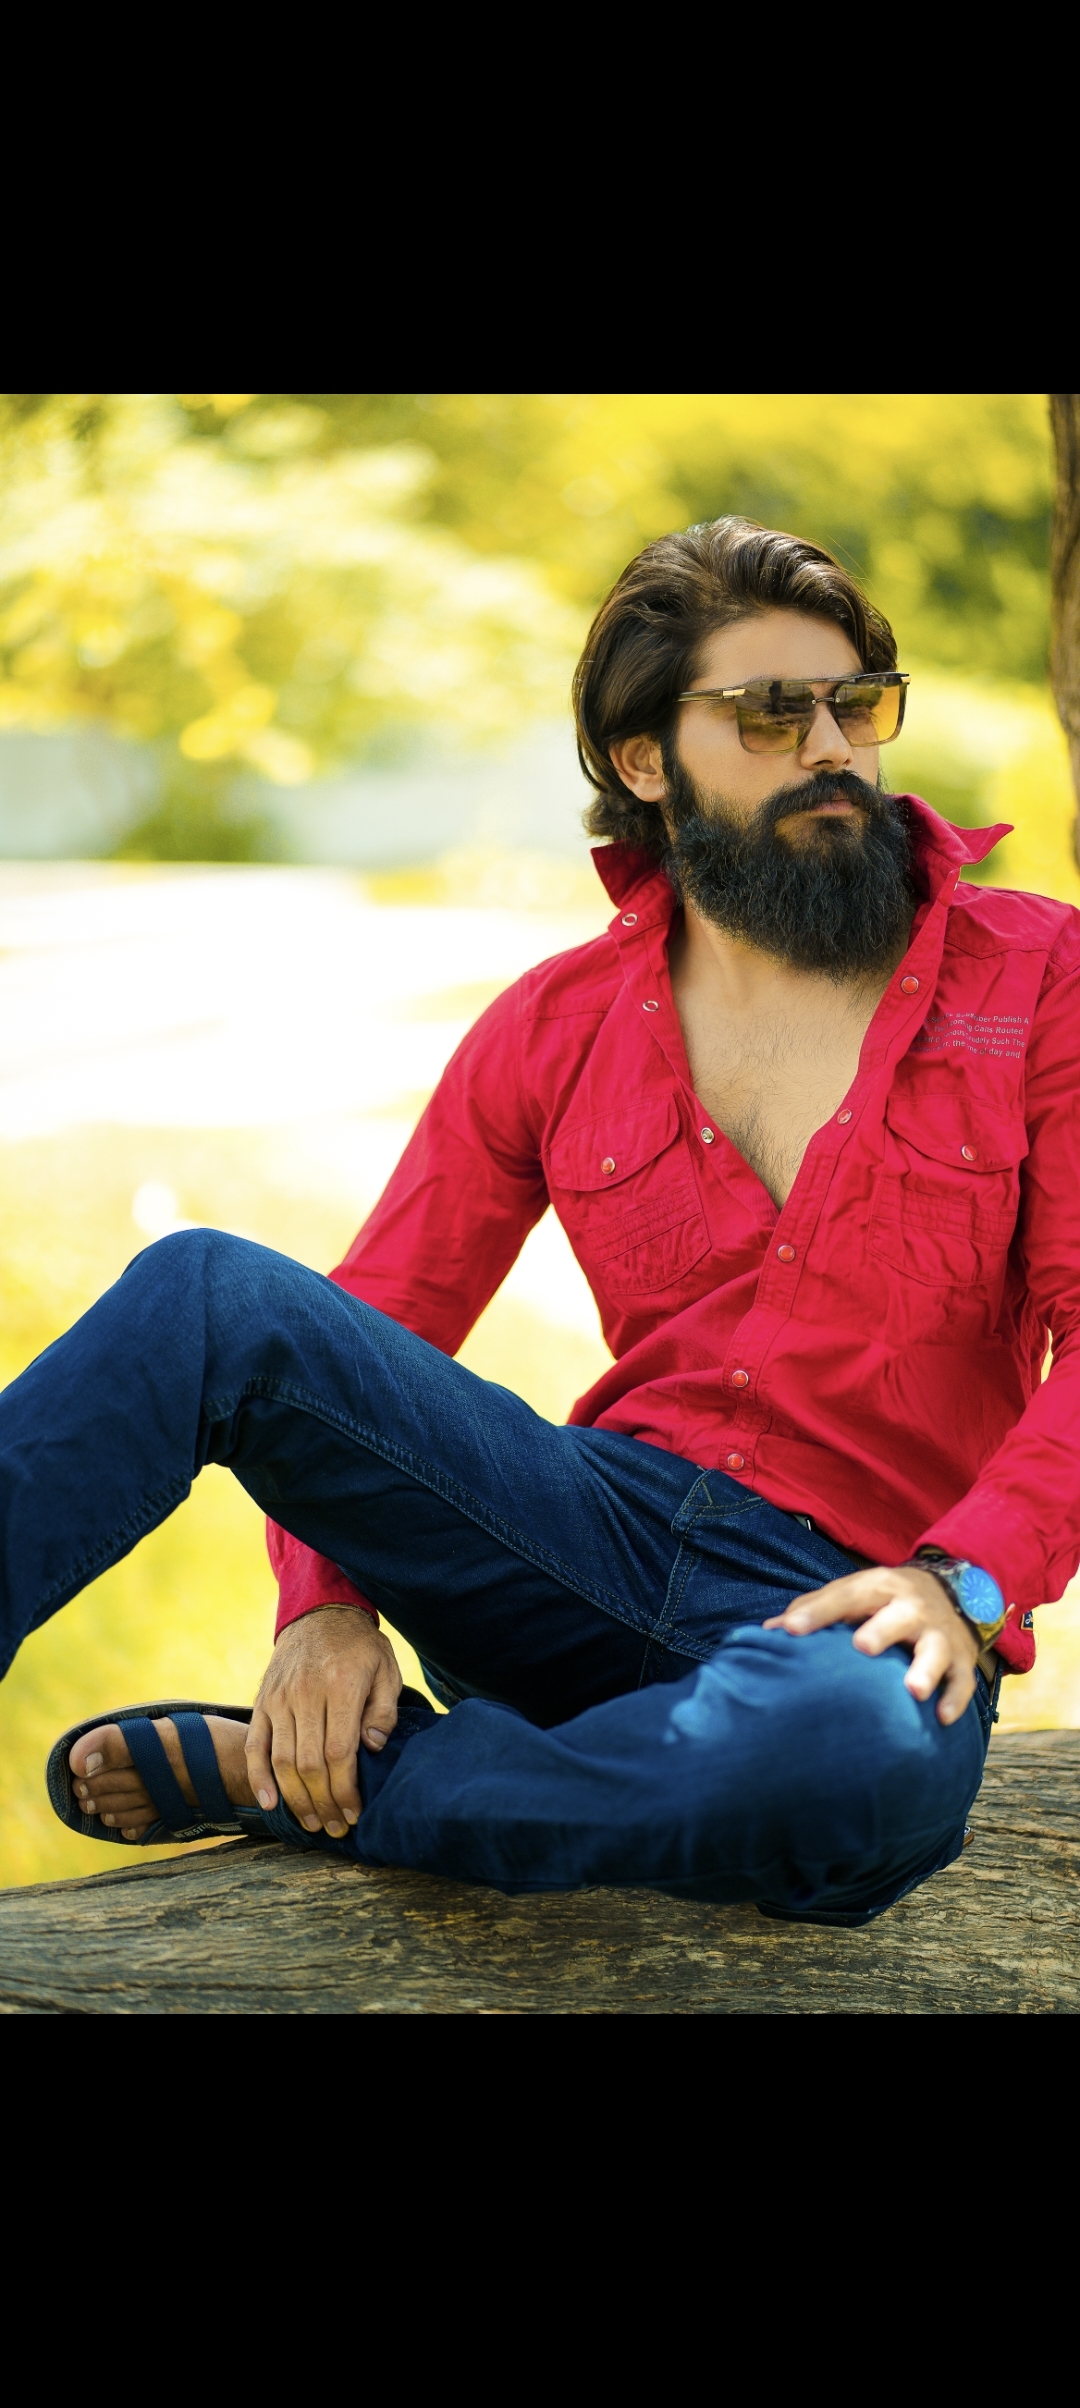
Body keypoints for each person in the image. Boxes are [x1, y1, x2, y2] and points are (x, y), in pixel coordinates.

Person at [6, 516, 1078, 1926]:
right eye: (770, 713)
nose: (832, 749)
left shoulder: (1038, 976)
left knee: (855, 1760)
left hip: (861, 1614)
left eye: (855, 706)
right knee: (210, 1297)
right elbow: (383, 1312)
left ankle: (363, 1791)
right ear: (646, 762)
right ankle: (495, 1775)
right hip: (583, 1544)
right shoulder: (554, 1024)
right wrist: (323, 1607)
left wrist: (970, 1584)